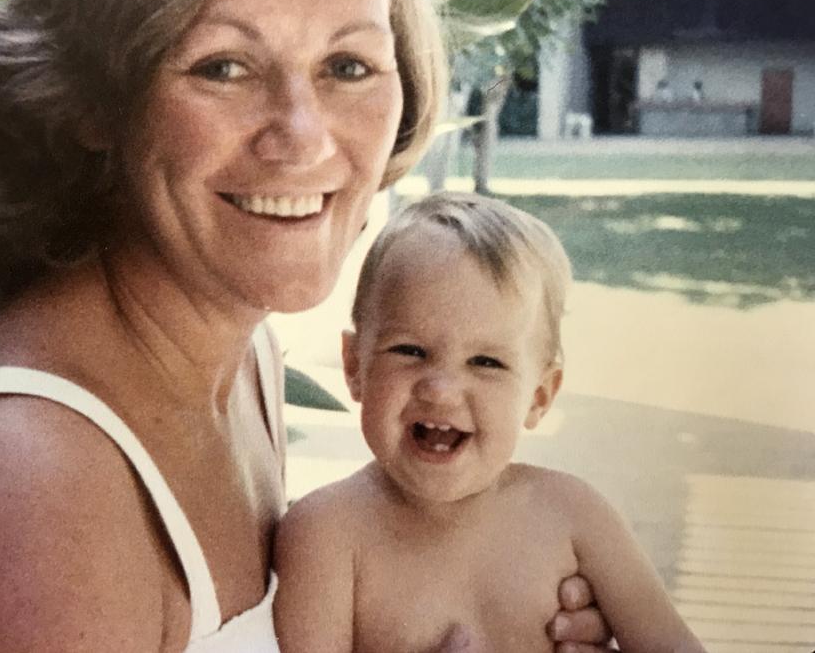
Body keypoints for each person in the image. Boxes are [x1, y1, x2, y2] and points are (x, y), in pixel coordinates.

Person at [0, 0, 613, 650]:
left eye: (348, 66)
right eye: (224, 67)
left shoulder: (242, 360)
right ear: (90, 102)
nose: (303, 136)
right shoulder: (22, 492)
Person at [274, 192, 706, 652]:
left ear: (539, 396)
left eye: (486, 362)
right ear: (354, 366)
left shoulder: (574, 517)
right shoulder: (326, 537)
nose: (439, 389)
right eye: (410, 351)